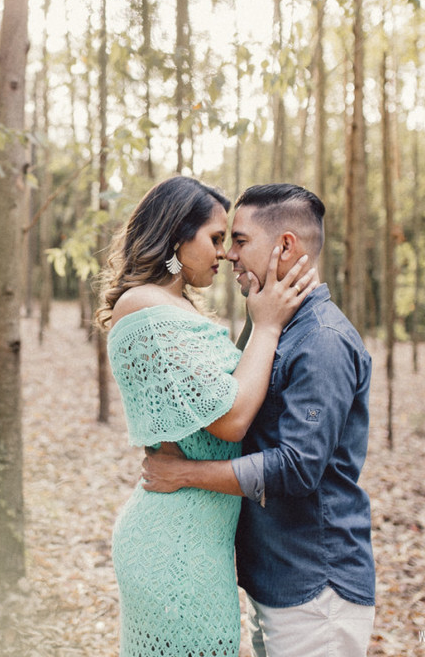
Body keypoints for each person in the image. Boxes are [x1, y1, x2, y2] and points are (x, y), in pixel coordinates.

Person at [142, 183, 376, 657]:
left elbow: (296, 467)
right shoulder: (277, 328)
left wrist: (186, 474)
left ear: (286, 246)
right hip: (277, 581)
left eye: (242, 241)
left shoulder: (323, 340)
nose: (229, 255)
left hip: (315, 587)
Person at [96, 176, 318, 657]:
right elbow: (232, 419)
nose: (223, 253)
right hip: (175, 544)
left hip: (200, 540)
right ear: (178, 235)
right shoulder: (144, 305)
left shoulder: (173, 305)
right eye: (216, 239)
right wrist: (268, 324)